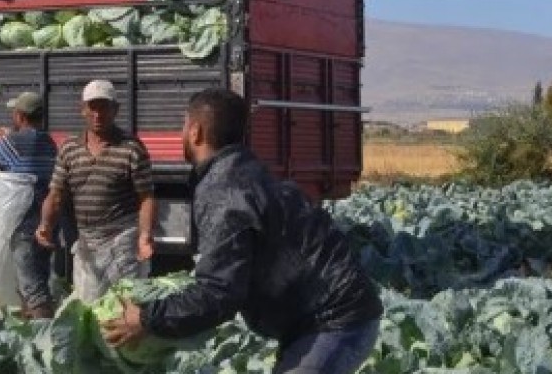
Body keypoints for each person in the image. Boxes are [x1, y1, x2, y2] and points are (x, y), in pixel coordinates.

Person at [101, 88, 383, 374]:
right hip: (324, 318)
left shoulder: (224, 191)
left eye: (184, 125)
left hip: (334, 322)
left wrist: (147, 319)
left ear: (196, 132)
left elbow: (219, 292)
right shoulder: (243, 170)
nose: (182, 132)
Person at [35, 80, 155, 300]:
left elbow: (146, 196)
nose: (98, 115)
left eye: (104, 108)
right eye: (93, 108)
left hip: (122, 237)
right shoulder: (69, 148)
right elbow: (56, 194)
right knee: (89, 304)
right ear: (83, 110)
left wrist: (145, 236)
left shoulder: (131, 147)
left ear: (115, 110)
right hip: (87, 240)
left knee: (123, 302)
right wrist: (45, 225)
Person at [0, 91, 59, 318]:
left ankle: (43, 328)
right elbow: (26, 159)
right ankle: (36, 320)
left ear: (20, 116)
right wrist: (9, 137)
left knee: (30, 282)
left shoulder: (13, 142)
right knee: (40, 273)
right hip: (46, 220)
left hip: (24, 223)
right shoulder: (49, 143)